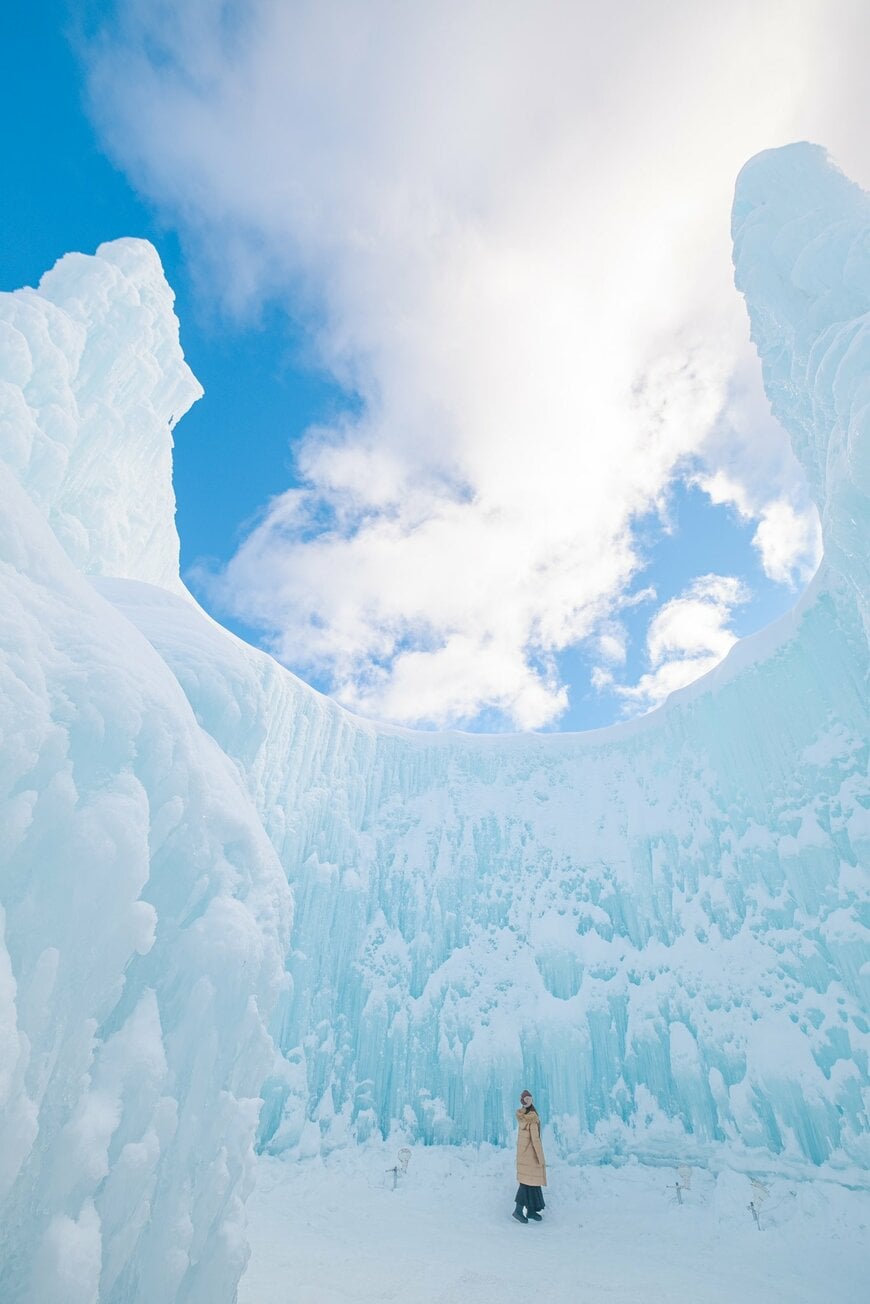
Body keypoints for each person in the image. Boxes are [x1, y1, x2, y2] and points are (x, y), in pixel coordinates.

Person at [513, 1089, 546, 1223]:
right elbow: (535, 1139)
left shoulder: (522, 1116)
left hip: (523, 1156)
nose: (529, 1101)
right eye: (527, 1099)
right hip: (531, 1157)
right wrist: (541, 1157)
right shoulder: (532, 1118)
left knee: (532, 1182)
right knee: (527, 1184)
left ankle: (532, 1211)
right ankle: (518, 1210)